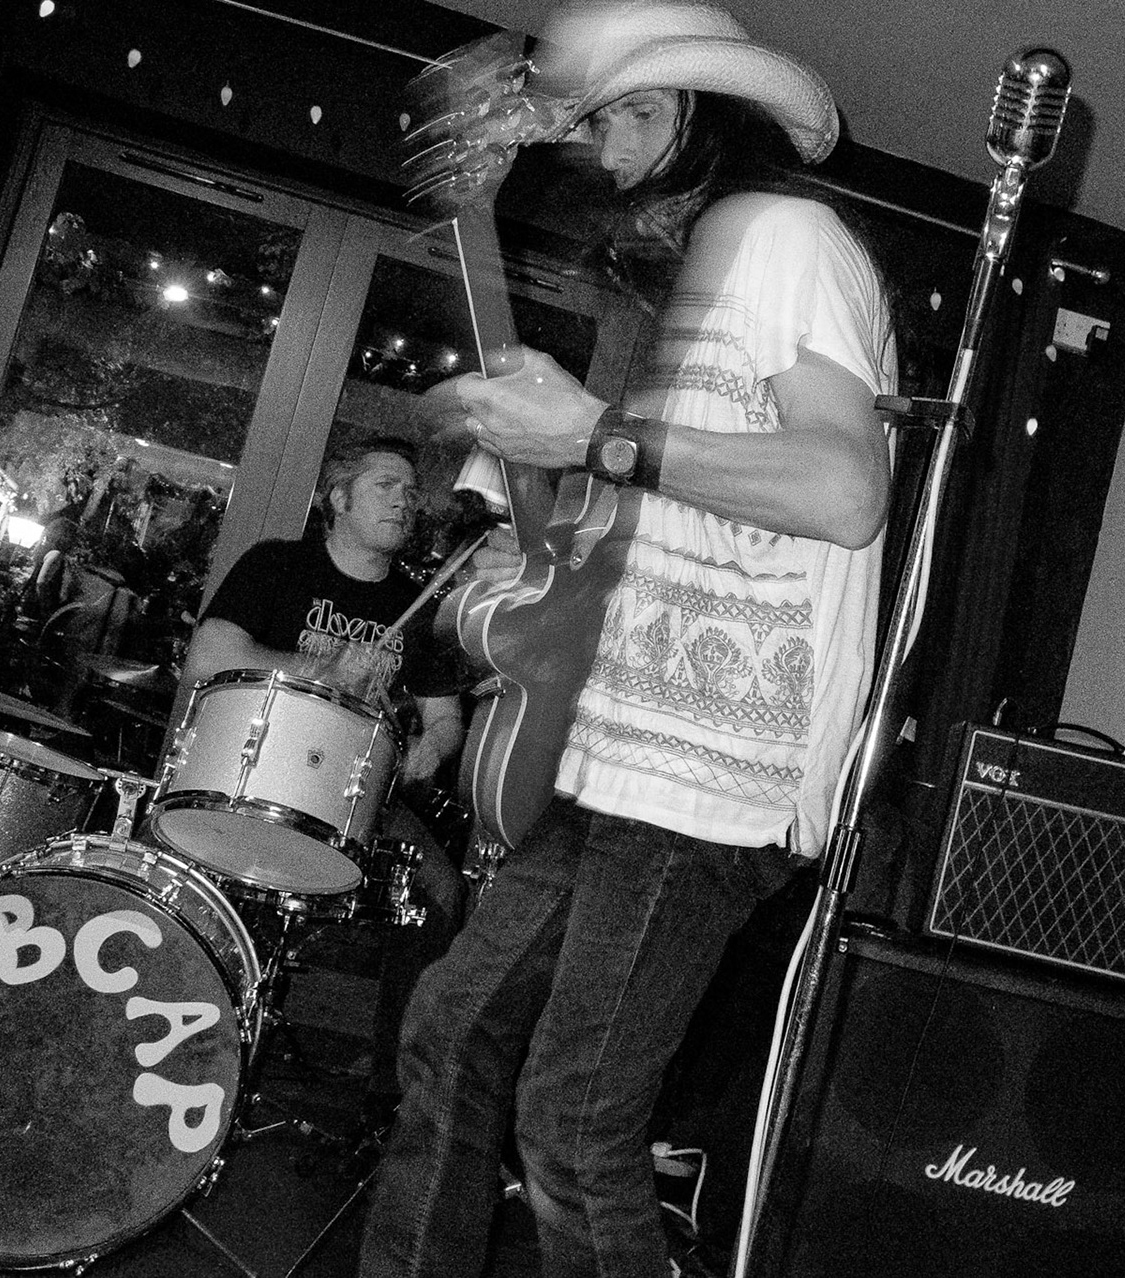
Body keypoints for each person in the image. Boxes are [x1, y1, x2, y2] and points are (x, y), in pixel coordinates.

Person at [356, 4, 897, 1276]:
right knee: (449, 1033)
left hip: (714, 776)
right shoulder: (698, 286)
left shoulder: (786, 236)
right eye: (593, 125)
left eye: (625, 120)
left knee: (573, 1122)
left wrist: (596, 437)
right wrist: (547, 543)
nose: (602, 156)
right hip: (616, 754)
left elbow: (842, 490)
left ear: (696, 119)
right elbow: (682, 510)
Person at [181, 434, 467, 1114]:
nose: (404, 501)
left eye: (410, 492)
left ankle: (392, 1099)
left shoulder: (421, 607)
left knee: (441, 896)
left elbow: (445, 719)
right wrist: (322, 669)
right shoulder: (278, 564)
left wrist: (431, 747)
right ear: (338, 498)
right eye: (385, 486)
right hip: (251, 773)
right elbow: (206, 659)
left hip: (356, 800)